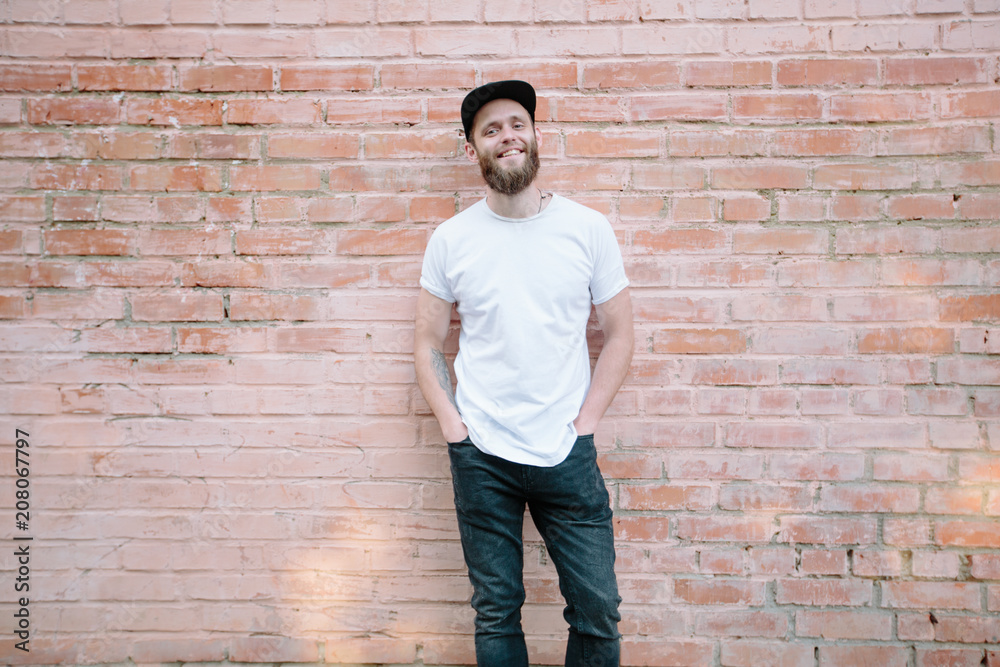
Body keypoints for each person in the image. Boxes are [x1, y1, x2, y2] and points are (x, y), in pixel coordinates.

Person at [414, 80, 634, 667]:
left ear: (536, 135)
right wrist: (454, 430)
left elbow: (621, 333)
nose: (507, 136)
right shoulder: (451, 240)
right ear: (472, 151)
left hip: (566, 451)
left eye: (517, 123)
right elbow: (427, 339)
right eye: (491, 130)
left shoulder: (587, 229)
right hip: (482, 451)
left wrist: (584, 424)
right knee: (496, 611)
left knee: (597, 610)